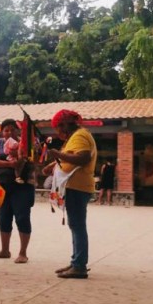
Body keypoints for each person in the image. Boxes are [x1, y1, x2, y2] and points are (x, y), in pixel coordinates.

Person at [45, 109, 97, 279]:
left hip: (77, 186)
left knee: (77, 226)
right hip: (74, 186)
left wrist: (56, 154)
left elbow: (83, 158)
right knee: (75, 225)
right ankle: (76, 261)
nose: (58, 132)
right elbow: (69, 157)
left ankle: (79, 265)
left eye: (59, 127)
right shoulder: (75, 137)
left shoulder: (80, 135)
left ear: (65, 124)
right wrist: (53, 165)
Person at [0, 118, 35, 264]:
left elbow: (28, 160)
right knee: (3, 217)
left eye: (12, 129)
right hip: (2, 186)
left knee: (22, 217)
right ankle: (4, 250)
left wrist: (18, 159)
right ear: (2, 132)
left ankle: (23, 252)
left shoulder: (25, 144)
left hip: (22, 186)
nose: (9, 132)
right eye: (6, 130)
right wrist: (8, 164)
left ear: (18, 131)